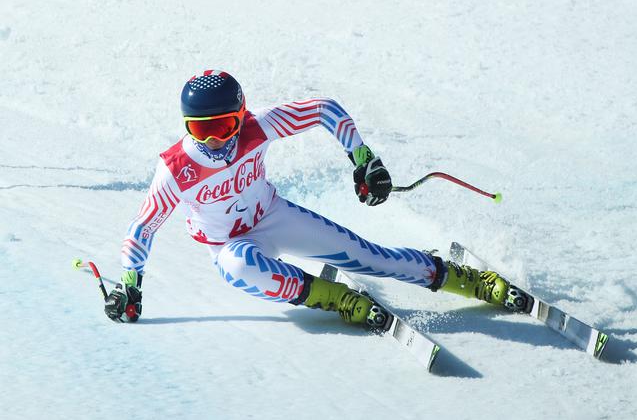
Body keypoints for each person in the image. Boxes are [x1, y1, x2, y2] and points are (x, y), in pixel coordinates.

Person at [105, 70, 523, 325]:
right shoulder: (177, 169)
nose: (214, 140)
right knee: (238, 267)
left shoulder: (257, 128)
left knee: (371, 257)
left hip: (273, 217)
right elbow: (143, 228)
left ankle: (462, 279)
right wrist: (130, 286)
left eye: (223, 125)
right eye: (200, 130)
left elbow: (323, 109)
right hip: (230, 244)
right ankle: (338, 300)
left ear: (241, 115)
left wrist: (363, 158)